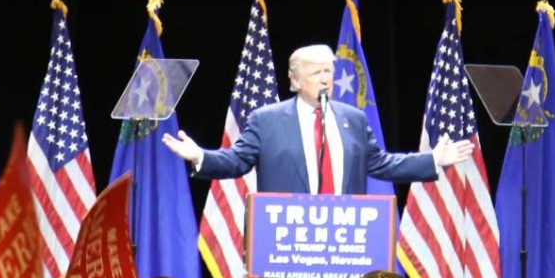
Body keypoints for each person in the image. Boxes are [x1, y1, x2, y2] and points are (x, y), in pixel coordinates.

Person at [162, 44, 473, 194]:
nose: (325, 79)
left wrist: (432, 160)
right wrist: (200, 156)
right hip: (287, 235)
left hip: (344, 236)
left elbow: (380, 163)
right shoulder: (267, 121)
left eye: (329, 71)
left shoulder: (353, 119)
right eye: (316, 73)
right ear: (295, 81)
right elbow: (237, 161)